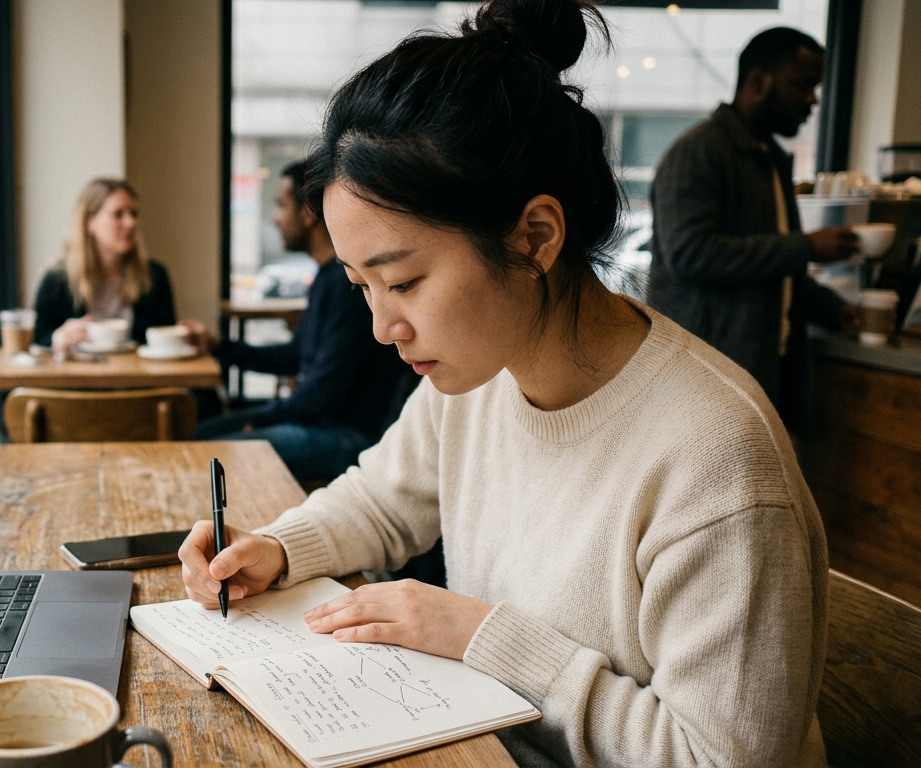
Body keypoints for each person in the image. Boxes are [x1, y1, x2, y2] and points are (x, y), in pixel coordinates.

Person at [178, 1, 828, 765]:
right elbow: (384, 502)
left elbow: (725, 758)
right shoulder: (483, 371)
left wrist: (485, 639)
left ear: (535, 237)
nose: (383, 327)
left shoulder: (714, 460)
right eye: (361, 286)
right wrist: (275, 550)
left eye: (405, 281)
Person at [647, 27, 857, 431]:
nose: (813, 99)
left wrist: (831, 309)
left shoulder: (769, 159)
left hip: (755, 378)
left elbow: (770, 270)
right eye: (802, 85)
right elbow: (690, 253)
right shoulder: (698, 152)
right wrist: (805, 248)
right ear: (759, 82)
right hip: (703, 384)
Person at [183, 161, 413, 481]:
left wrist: (258, 420)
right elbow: (294, 356)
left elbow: (322, 399)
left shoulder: (347, 288)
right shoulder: (328, 278)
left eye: (281, 206)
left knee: (203, 450)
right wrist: (218, 346)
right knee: (197, 436)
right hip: (320, 422)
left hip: (348, 436)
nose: (275, 219)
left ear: (307, 214)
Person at [32, 179, 175, 350]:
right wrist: (57, 338)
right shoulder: (57, 280)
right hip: (79, 375)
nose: (131, 223)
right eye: (118, 214)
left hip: (137, 375)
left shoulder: (153, 276)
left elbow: (167, 337)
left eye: (133, 214)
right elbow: (37, 339)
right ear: (89, 223)